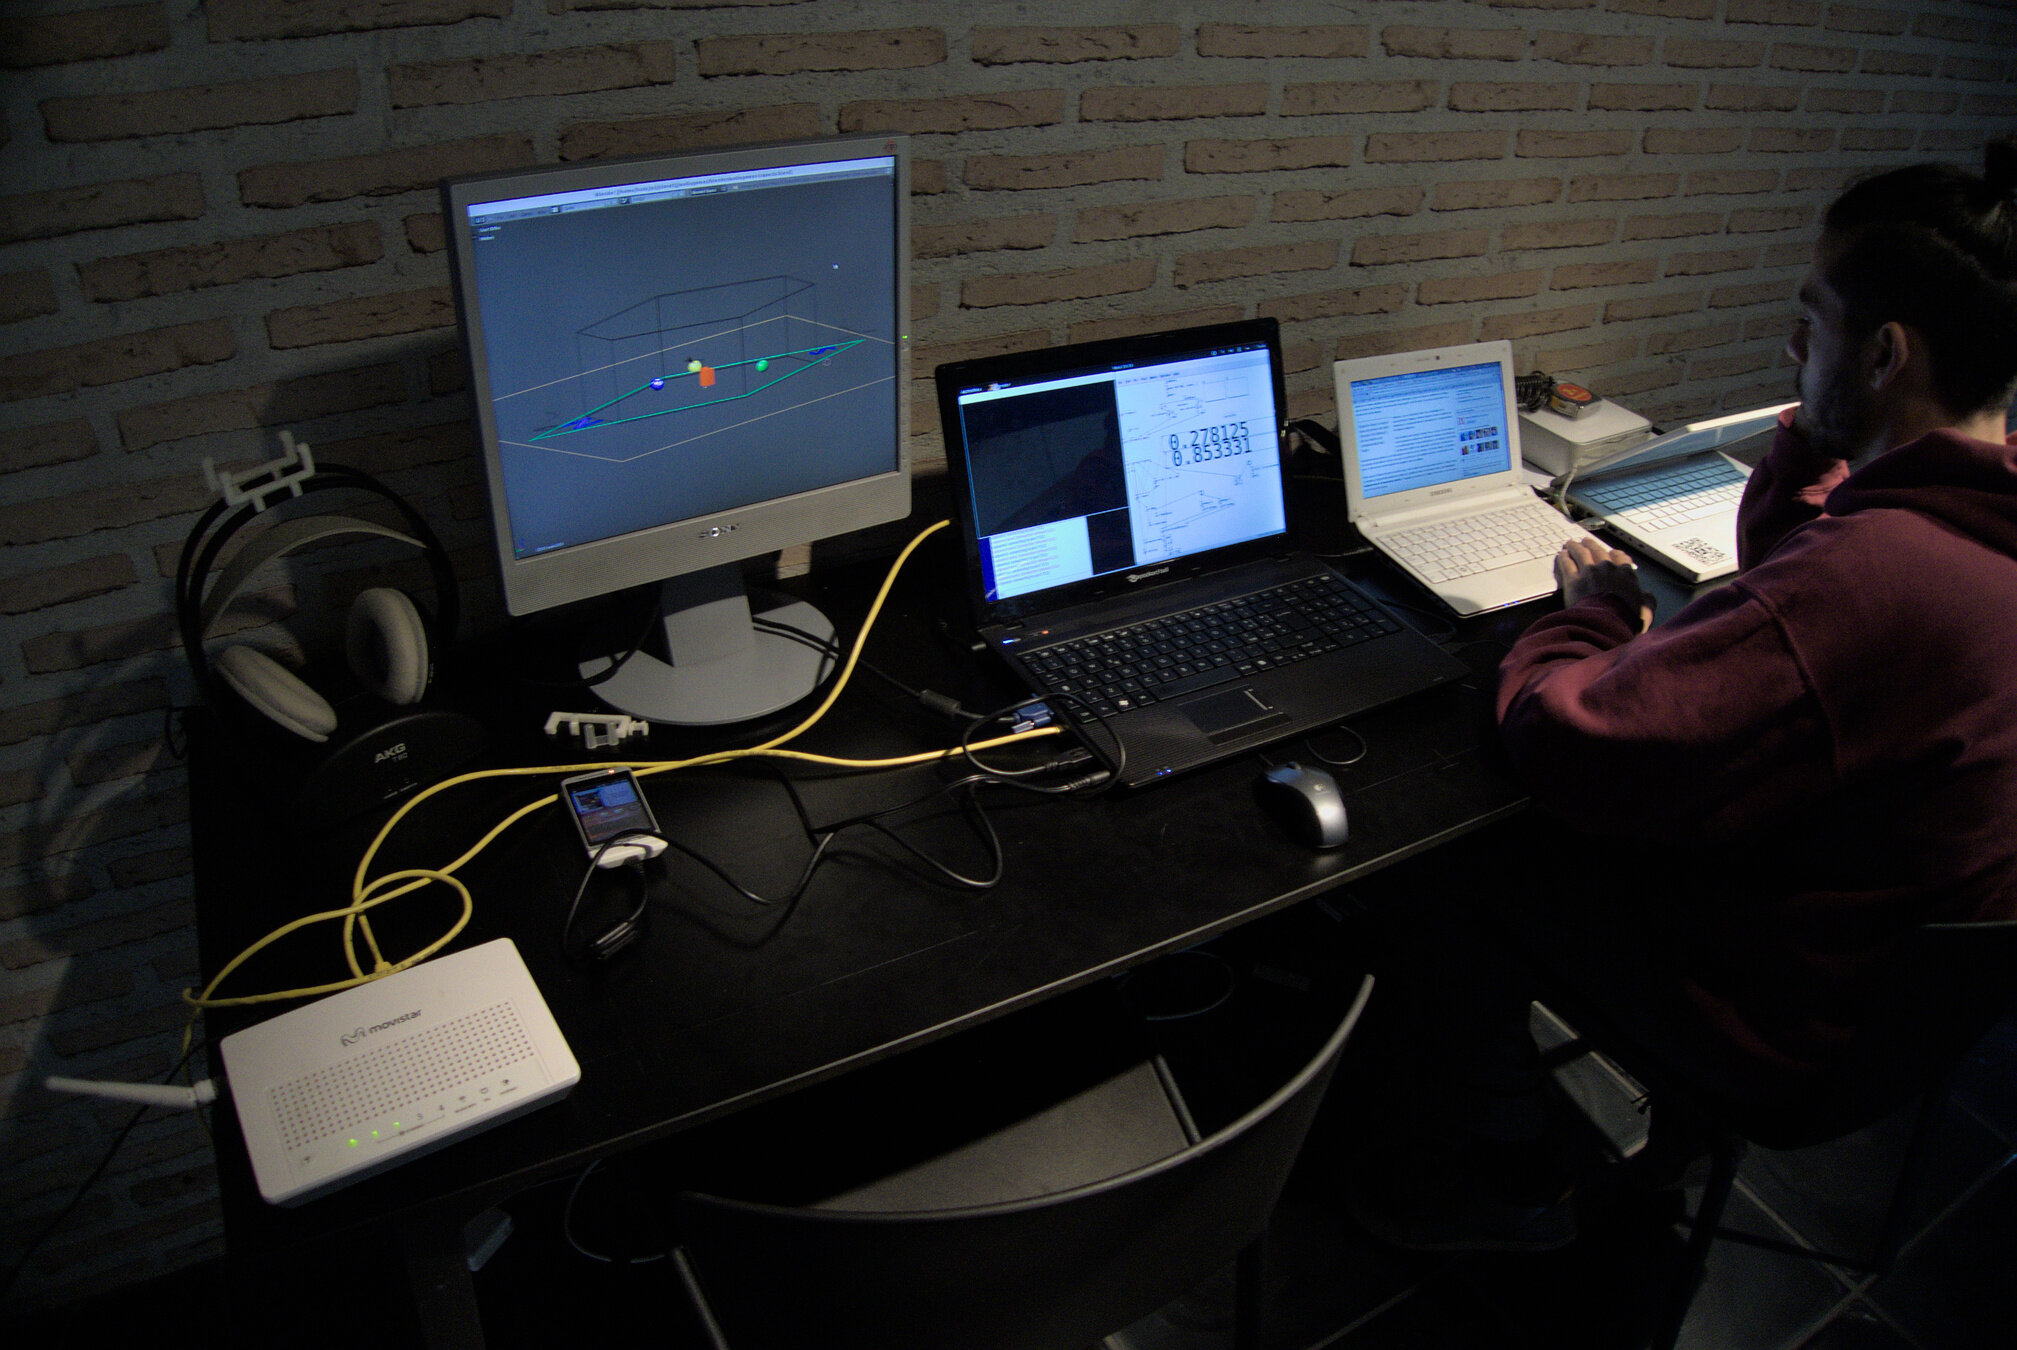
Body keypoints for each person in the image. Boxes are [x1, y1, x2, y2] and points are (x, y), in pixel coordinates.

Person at [1347, 139, 2017, 1253]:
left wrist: (1590, 618)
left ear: (1884, 352)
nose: (1792, 346)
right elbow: (1807, 573)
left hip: (1778, 1017)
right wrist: (1828, 429)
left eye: (1812, 321)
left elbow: (1570, 737)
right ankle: (1648, 1152)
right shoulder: (1973, 520)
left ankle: (1499, 1178)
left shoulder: (1876, 579)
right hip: (1899, 1003)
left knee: (1458, 857)